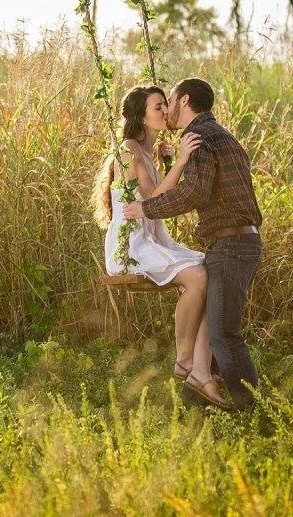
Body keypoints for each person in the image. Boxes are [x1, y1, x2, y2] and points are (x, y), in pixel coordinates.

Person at [123, 77, 264, 411]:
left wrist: (147, 209)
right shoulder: (220, 134)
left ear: (183, 101)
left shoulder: (199, 137)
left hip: (232, 243)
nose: (167, 108)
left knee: (224, 335)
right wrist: (172, 164)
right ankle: (194, 403)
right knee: (214, 328)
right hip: (234, 241)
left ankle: (253, 410)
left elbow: (194, 193)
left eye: (168, 100)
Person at [93, 85, 214, 391]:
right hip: (131, 248)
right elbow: (150, 198)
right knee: (198, 276)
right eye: (157, 107)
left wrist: (170, 163)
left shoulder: (147, 152)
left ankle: (203, 366)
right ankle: (185, 360)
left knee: (210, 268)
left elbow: (164, 200)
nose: (165, 111)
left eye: (164, 105)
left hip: (152, 241)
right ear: (142, 117)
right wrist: (184, 161)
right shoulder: (128, 150)